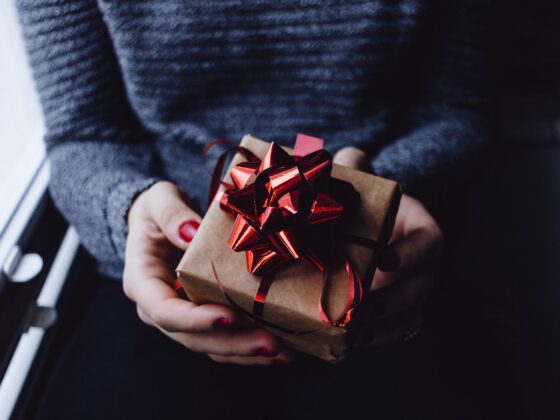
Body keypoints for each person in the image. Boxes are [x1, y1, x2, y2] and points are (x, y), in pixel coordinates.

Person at [16, 0, 503, 419]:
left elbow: (455, 111)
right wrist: (130, 208)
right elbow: (83, 133)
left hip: (378, 256)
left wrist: (382, 193)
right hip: (174, 262)